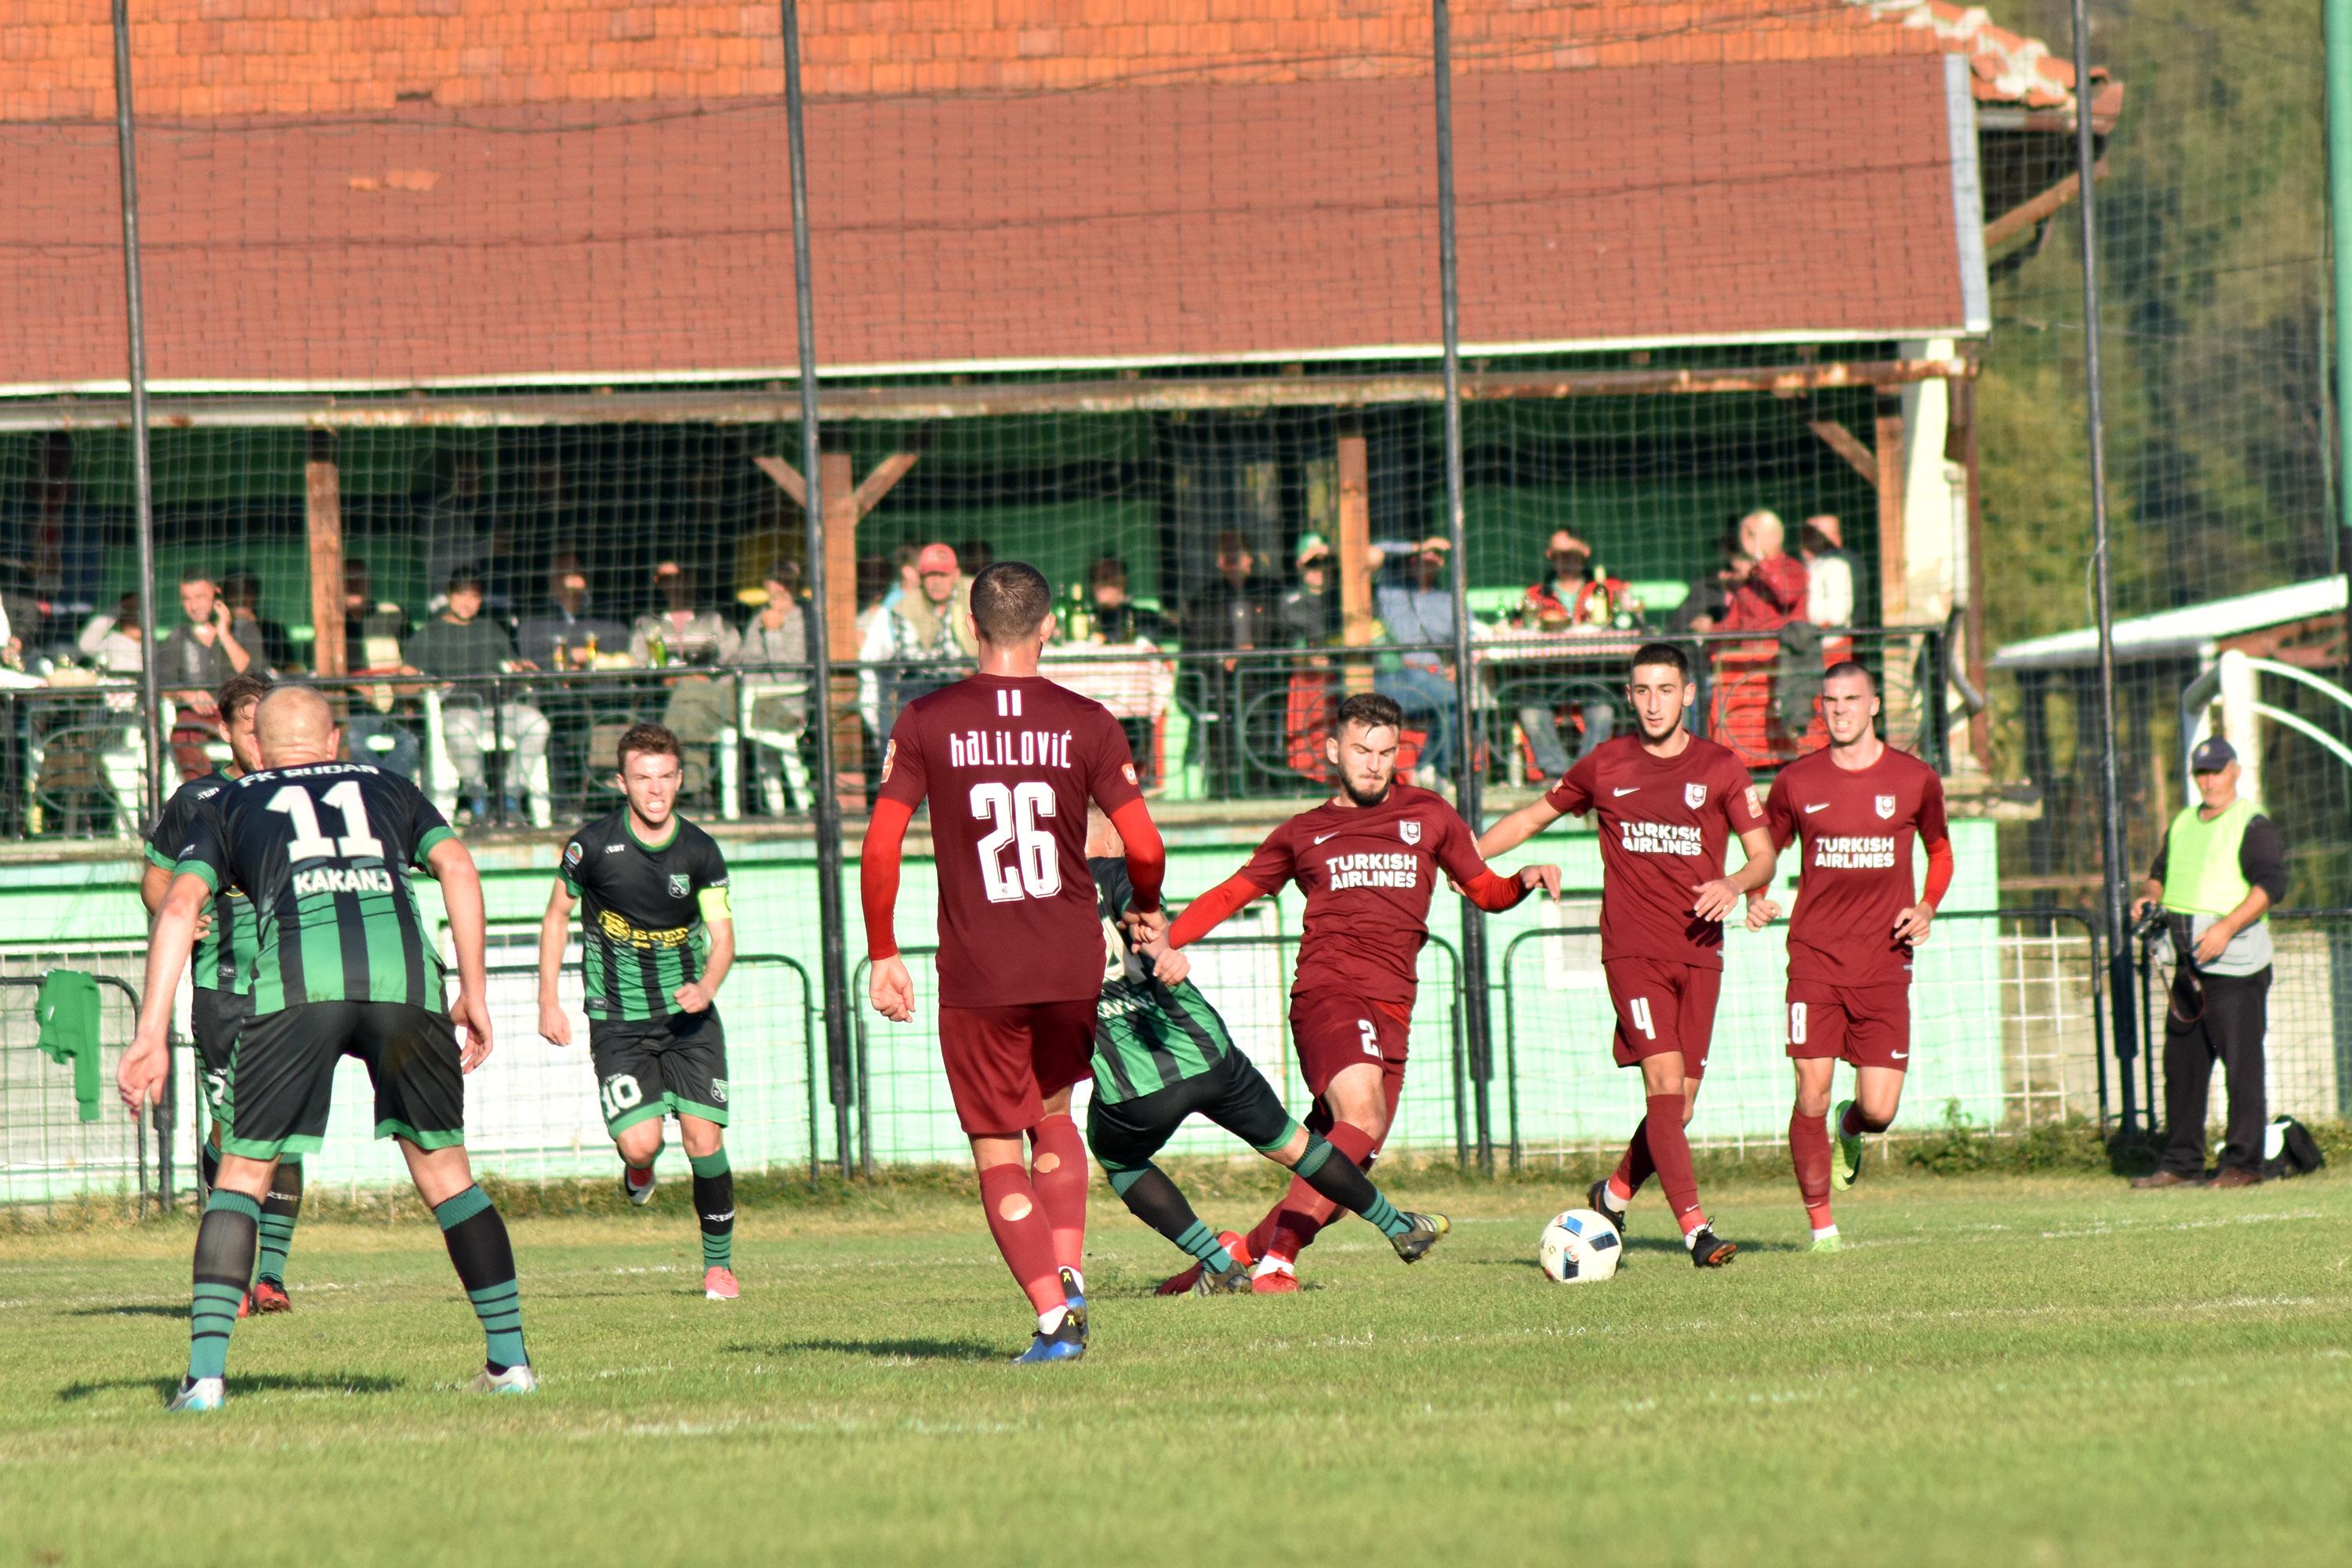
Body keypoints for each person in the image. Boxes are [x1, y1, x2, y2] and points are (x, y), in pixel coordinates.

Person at [116, 685, 534, 1411]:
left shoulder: (229, 802)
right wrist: (474, 990)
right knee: (446, 1176)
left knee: (243, 1173)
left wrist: (149, 1034)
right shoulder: (389, 785)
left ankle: (205, 1380)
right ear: (333, 740)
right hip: (407, 985)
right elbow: (459, 870)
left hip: (297, 990)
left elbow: (179, 906)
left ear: (257, 744)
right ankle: (511, 1364)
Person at [1149, 691, 1559, 1293]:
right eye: (1362, 750)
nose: (1373, 763)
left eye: (1386, 752)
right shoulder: (1304, 832)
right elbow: (1232, 893)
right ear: (1334, 750)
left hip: (1396, 1008)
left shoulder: (1432, 816)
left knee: (1345, 1174)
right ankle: (1278, 1266)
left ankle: (1229, 1256)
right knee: (1360, 1117)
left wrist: (1523, 880)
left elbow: (1483, 889)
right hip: (1329, 995)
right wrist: (1168, 940)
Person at [861, 560, 1168, 1363]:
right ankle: (1068, 1273)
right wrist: (1146, 902)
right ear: (1049, 628)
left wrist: (882, 949)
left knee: (998, 1148)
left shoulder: (926, 717)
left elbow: (881, 844)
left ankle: (1053, 1318)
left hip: (980, 968)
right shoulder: (1089, 720)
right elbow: (1144, 843)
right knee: (1055, 1117)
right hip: (1070, 959)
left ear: (970, 626)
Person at [1478, 642, 1777, 1267]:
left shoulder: (1721, 768)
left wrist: (1735, 885)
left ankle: (1612, 1194)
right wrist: (1468, 858)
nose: (1653, 702)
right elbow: (1534, 818)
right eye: (1641, 690)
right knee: (1664, 1086)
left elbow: (1764, 855)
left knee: (1682, 1104)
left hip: (1700, 952)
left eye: (1665, 689)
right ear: (1629, 694)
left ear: (1689, 694)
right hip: (1633, 952)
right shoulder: (1605, 764)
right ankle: (1698, 1231)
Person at [1080, 809, 1450, 1291]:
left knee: (1120, 1161)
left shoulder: (1040, 905)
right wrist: (1159, 947)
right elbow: (1143, 916)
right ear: (1110, 834)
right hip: (1208, 1056)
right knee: (1296, 1145)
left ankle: (1218, 1262)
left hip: (1134, 1087)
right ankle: (1398, 1227)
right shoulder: (1116, 872)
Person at [1744, 662, 1951, 1249]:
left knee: (1880, 1110)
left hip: (1886, 962)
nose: (1840, 710)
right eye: (1831, 701)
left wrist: (1927, 907)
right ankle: (1822, 1225)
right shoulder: (1796, 782)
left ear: (1875, 705)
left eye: (1852, 699)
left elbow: (1940, 850)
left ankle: (1850, 1125)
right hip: (1814, 960)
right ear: (1821, 708)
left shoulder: (1915, 779)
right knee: (1810, 1086)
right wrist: (1758, 895)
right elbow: (1765, 849)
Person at [536, 723, 741, 1298]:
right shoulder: (593, 846)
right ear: (621, 781)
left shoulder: (700, 850)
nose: (655, 791)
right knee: (641, 1143)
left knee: (705, 1140)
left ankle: (718, 1266)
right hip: (619, 1022)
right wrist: (548, 1000)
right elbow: (556, 916)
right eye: (643, 779)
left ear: (680, 779)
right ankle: (640, 1169)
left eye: (665, 778)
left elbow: (722, 936)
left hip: (689, 1022)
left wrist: (706, 984)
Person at [140, 673, 294, 1314]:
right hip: (222, 985)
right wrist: (178, 908)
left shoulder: (302, 794)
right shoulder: (198, 798)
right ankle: (231, 1251)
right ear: (227, 731)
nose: (260, 741)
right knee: (232, 1135)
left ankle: (271, 1277)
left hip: (294, 982)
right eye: (248, 728)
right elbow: (155, 881)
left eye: (269, 728)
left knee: (284, 1132)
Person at [2129, 738, 2288, 1189]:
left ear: (2235, 771)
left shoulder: (2251, 823)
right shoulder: (2182, 822)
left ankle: (2243, 1164)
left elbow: (2271, 885)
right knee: (2181, 1068)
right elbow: (2158, 875)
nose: (2209, 780)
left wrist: (2225, 929)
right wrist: (2149, 899)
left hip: (2234, 964)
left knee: (2242, 1067)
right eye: (2202, 773)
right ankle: (2181, 1163)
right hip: (2183, 963)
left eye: (2217, 771)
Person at [404, 572, 550, 826]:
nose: (467, 603)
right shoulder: (430, 633)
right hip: (458, 709)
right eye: (462, 595)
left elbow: (511, 665)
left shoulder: (491, 629)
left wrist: (521, 669)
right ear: (449, 597)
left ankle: (510, 797)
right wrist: (425, 684)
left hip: (501, 706)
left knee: (538, 724)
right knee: (458, 731)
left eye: (475, 596)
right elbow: (404, 678)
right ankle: (478, 796)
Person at [1515, 531, 1630, 777]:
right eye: (1560, 555)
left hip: (1594, 673)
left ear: (1585, 554)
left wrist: (1626, 606)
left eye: (1573, 555)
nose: (1567, 561)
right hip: (1547, 675)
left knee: (1603, 711)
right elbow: (1519, 627)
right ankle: (1558, 774)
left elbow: (1629, 618)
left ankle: (1584, 774)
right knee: (1531, 711)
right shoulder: (1536, 593)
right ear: (1550, 556)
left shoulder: (1608, 587)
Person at [1181, 532, 1278, 797]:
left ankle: (1261, 794)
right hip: (1219, 684)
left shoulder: (1268, 593)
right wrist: (1225, 655)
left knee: (1260, 740)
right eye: (1226, 553)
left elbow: (1279, 634)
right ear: (1218, 561)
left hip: (1260, 682)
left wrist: (1254, 653)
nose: (1233, 558)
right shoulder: (1205, 599)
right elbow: (1197, 643)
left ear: (1250, 559)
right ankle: (1221, 796)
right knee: (1221, 742)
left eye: (1238, 552)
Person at [857, 542, 975, 740]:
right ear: (921, 577)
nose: (936, 581)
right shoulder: (904, 607)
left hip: (971, 692)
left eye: (943, 574)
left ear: (956, 574)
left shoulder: (975, 595)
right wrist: (959, 669)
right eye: (930, 575)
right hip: (923, 692)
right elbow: (912, 657)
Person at [1370, 536, 1464, 789]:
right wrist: (1415, 547)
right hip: (1395, 675)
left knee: (1463, 705)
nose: (1429, 559)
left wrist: (1457, 664)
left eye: (1436, 556)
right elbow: (1371, 554)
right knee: (1455, 699)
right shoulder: (1389, 592)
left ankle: (1431, 771)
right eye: (1424, 555)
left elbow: (1470, 636)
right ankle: (1433, 771)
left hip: (1435, 676)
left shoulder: (1448, 600)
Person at [156, 572, 255, 780]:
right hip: (198, 717)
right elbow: (159, 682)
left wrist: (224, 633)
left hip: (240, 712)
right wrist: (186, 694)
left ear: (217, 595)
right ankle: (201, 796)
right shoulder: (177, 637)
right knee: (184, 734)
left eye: (200, 597)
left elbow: (252, 673)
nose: (193, 606)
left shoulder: (244, 629)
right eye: (187, 599)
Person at [516, 555, 627, 672]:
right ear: (550, 577)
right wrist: (571, 655)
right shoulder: (536, 619)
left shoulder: (605, 614)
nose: (568, 574)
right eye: (562, 569)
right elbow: (533, 657)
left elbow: (619, 648)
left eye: (574, 569)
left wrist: (584, 655)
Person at [1715, 510, 1809, 634]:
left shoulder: (1791, 567)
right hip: (1750, 648)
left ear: (1772, 536)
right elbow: (1735, 623)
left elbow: (1787, 595)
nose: (1743, 540)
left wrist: (1761, 559)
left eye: (1751, 534)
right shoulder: (1751, 576)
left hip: (1781, 646)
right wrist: (1710, 629)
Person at [220, 569, 295, 674]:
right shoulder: (219, 630)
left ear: (256, 594)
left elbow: (288, 668)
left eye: (246, 592)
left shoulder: (273, 630)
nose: (241, 598)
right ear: (225, 596)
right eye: (234, 592)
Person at [1083, 557, 1170, 644]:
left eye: (1105, 578)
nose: (1099, 584)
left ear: (1122, 581)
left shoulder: (1144, 617)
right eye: (1094, 578)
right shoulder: (1085, 619)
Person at [1276, 532, 1343, 648]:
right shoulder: (1292, 601)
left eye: (1326, 561)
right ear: (1300, 566)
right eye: (1313, 563)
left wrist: (1334, 551)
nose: (1321, 569)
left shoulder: (1345, 596)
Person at [1799, 517, 1857, 630]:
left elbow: (1838, 611)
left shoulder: (1837, 564)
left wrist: (1825, 622)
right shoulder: (1814, 565)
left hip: (1833, 635)